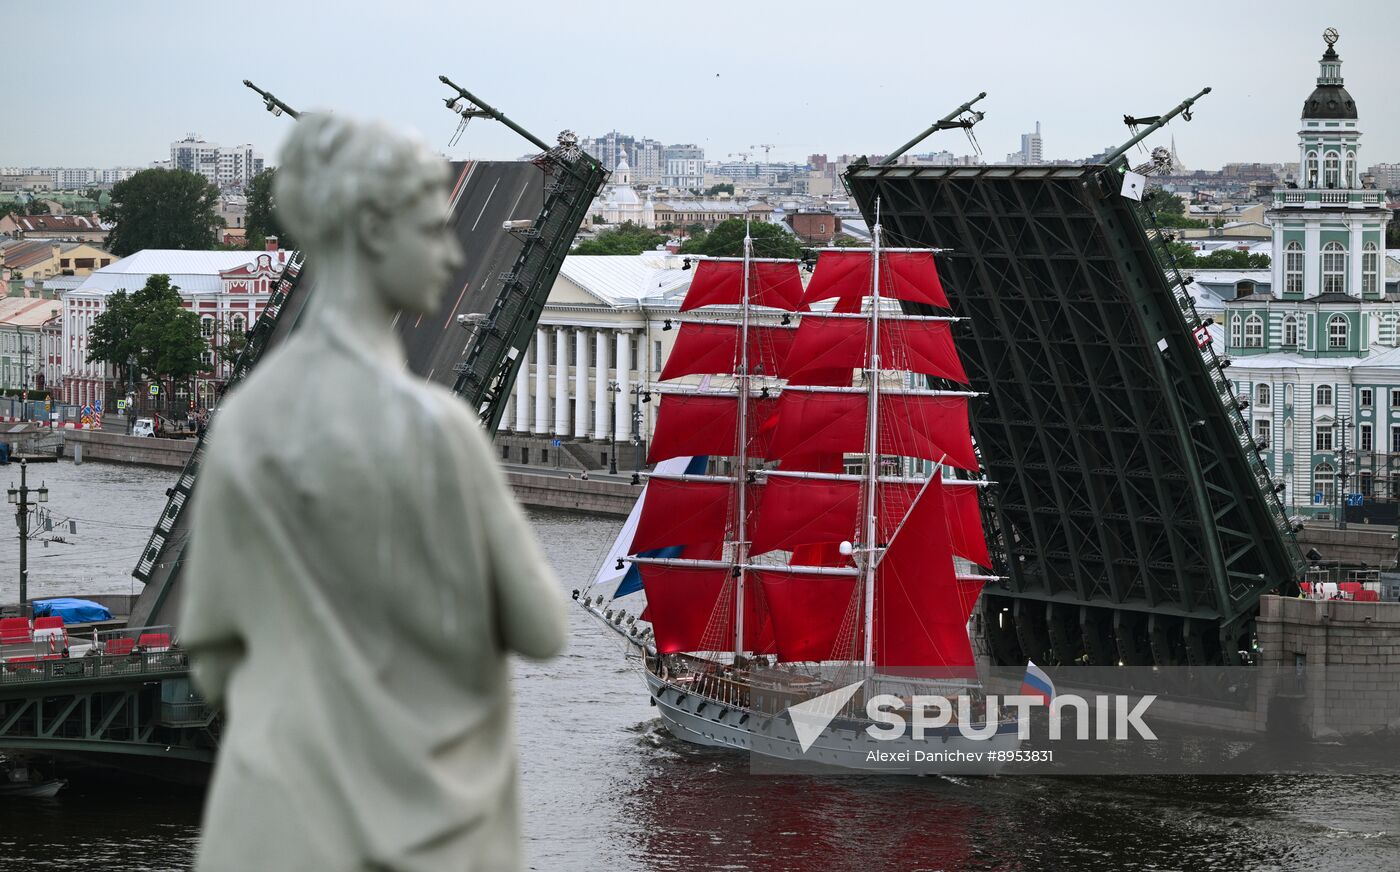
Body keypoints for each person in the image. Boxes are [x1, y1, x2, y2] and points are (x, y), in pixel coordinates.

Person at [180, 114, 566, 872]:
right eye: (431, 228)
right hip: (416, 825)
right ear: (372, 231)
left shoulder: (246, 423)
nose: (452, 251)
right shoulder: (439, 431)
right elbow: (543, 629)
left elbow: (214, 657)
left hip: (270, 820)